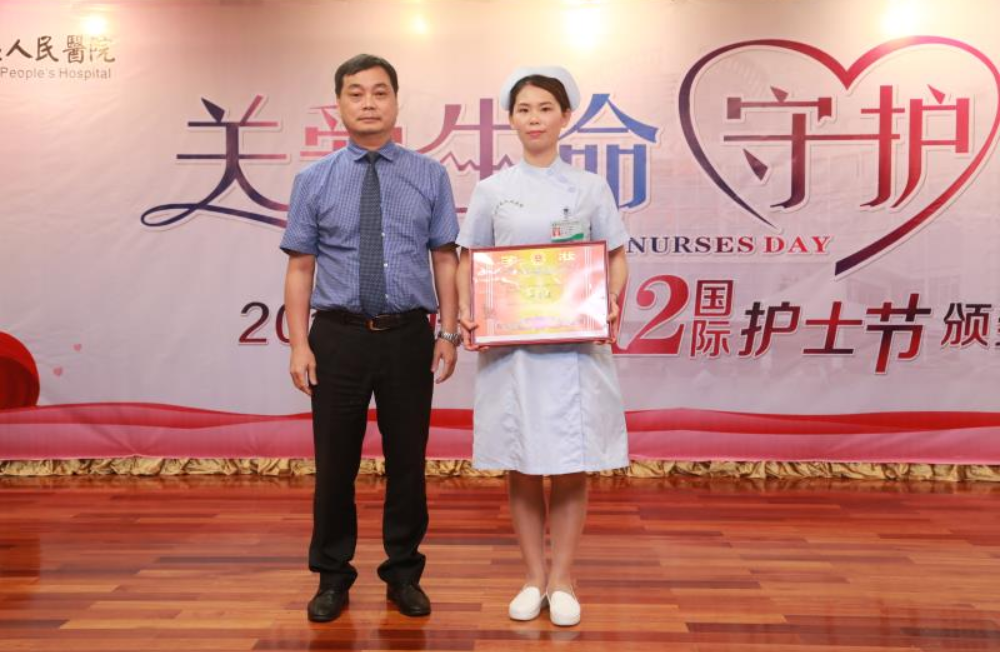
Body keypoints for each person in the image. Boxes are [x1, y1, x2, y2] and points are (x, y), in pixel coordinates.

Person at [281, 53, 462, 623]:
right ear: (338, 104)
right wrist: (299, 345)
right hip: (337, 338)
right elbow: (301, 267)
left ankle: (403, 573)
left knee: (408, 461)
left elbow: (445, 258)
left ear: (396, 102)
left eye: (379, 92)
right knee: (334, 463)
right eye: (355, 93)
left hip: (409, 336)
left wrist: (448, 332)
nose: (368, 103)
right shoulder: (314, 180)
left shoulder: (429, 175)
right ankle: (332, 576)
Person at [456, 66, 629, 627]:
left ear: (565, 117)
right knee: (523, 462)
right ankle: (533, 577)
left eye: (545, 108)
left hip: (574, 348)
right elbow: (468, 258)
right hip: (513, 350)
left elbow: (615, 255)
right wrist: (467, 310)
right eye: (524, 109)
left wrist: (610, 302)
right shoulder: (493, 190)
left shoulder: (589, 187)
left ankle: (564, 579)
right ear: (511, 119)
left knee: (573, 461)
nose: (535, 119)